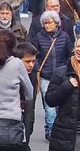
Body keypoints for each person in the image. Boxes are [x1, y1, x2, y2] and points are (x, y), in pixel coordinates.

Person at [32, 11, 74, 139]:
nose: (47, 25)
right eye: (44, 23)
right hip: (46, 75)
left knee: (60, 104)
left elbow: (70, 55)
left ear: (56, 23)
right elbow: (34, 56)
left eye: (49, 22)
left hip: (61, 76)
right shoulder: (39, 37)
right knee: (49, 105)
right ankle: (51, 130)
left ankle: (53, 127)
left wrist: (67, 69)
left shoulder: (65, 37)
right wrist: (39, 68)